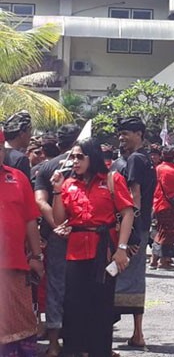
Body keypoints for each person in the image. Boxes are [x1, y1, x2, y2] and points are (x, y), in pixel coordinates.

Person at [51, 139, 135, 357]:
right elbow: (59, 219)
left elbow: (128, 213)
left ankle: (100, 352)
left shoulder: (111, 179)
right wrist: (57, 192)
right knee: (73, 306)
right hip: (75, 251)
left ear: (92, 157)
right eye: (73, 157)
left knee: (101, 307)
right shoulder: (68, 184)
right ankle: (74, 350)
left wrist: (122, 248)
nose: (75, 161)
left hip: (103, 251)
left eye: (80, 156)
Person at [32, 124, 80, 357]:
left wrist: (55, 225)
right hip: (84, 234)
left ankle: (53, 345)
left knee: (55, 288)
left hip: (57, 237)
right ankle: (81, 344)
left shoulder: (46, 167)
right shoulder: (85, 165)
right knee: (83, 288)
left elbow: (40, 201)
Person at [111, 116, 156, 348]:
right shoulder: (145, 158)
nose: (121, 137)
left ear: (139, 134)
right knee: (136, 277)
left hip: (132, 228)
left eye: (126, 133)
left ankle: (135, 333)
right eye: (120, 133)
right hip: (140, 226)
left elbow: (134, 196)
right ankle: (137, 333)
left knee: (117, 274)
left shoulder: (136, 159)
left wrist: (132, 234)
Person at [0, 132, 44, 357]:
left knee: (21, 327)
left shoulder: (18, 178)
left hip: (16, 267)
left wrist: (36, 256)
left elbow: (30, 221)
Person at [150, 145, 174, 270]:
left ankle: (154, 260)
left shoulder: (158, 168)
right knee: (168, 234)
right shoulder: (172, 171)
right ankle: (164, 261)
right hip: (169, 206)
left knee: (160, 232)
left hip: (158, 203)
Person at [4, 110, 32, 178]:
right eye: (29, 131)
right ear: (22, 134)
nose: (30, 135)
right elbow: (24, 186)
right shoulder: (20, 159)